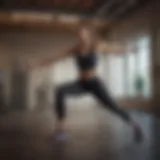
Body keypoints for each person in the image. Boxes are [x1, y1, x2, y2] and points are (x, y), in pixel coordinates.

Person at [52, 25, 143, 142]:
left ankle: (134, 123)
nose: (81, 36)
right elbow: (56, 57)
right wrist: (35, 64)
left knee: (112, 107)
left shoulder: (96, 46)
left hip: (95, 84)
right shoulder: (76, 49)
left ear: (88, 35)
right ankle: (61, 130)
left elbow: (113, 48)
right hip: (81, 83)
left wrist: (130, 50)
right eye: (78, 34)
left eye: (83, 34)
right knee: (60, 90)